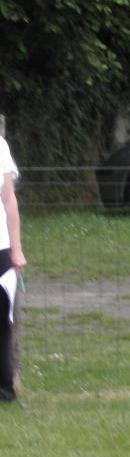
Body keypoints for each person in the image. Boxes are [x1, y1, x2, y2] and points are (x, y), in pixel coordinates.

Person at [0, 132, 26, 403]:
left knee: (3, 324)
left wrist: (16, 249)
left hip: (1, 247)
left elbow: (8, 200)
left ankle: (6, 390)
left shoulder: (0, 145)